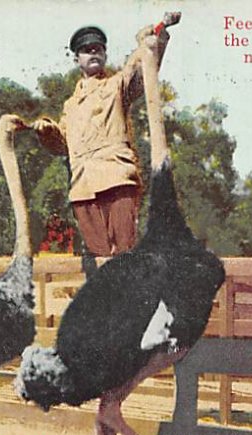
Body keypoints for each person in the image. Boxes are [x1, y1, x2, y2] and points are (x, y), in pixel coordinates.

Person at [32, 14, 179, 257]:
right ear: (77, 59)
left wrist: (158, 31)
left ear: (105, 54)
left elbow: (142, 63)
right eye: (86, 50)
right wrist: (46, 130)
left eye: (98, 49)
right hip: (83, 187)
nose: (93, 53)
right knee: (99, 257)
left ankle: (131, 295)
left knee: (123, 254)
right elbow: (62, 144)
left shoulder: (116, 86)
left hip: (116, 178)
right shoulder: (71, 105)